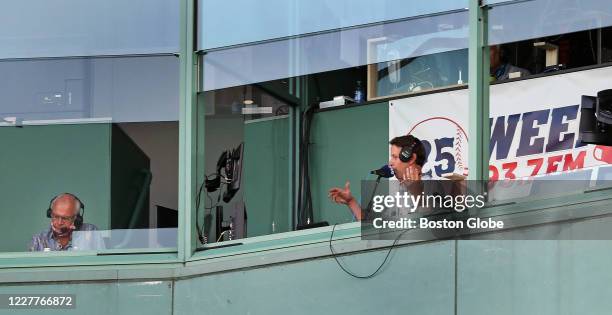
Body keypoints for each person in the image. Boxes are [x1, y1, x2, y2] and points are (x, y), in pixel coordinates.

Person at [328, 135, 427, 221]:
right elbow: (372, 228)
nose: (390, 163)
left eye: (395, 157)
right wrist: (351, 202)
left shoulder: (436, 185)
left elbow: (435, 222)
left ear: (411, 158)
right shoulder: (396, 193)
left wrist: (417, 193)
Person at [29, 193, 105, 251]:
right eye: (55, 216)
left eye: (65, 218)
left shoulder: (90, 232)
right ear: (50, 214)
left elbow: (103, 265)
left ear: (77, 218)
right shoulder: (38, 240)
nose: (59, 222)